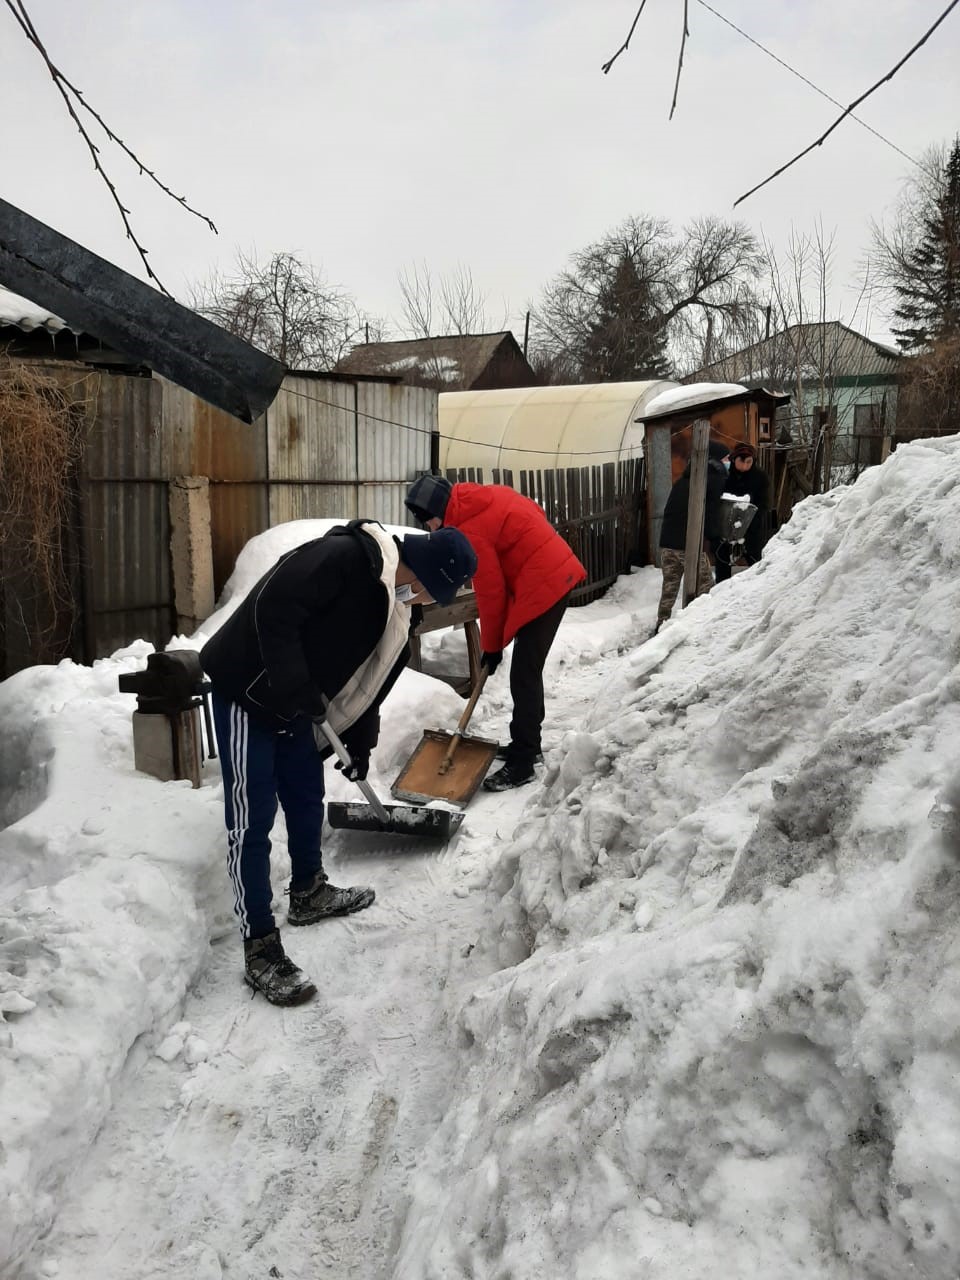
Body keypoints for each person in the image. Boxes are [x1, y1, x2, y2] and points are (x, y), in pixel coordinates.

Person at [200, 519, 478, 1007]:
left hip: (294, 703)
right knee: (252, 819)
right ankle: (259, 944)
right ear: (421, 574)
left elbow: (370, 684)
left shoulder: (397, 610)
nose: (425, 602)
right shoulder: (347, 558)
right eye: (430, 592)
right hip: (247, 691)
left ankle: (308, 890)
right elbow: (273, 606)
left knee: (306, 793)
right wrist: (297, 685)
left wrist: (361, 745)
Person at [405, 475, 586, 792]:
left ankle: (524, 760)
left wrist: (491, 646)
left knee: (524, 672)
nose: (430, 527)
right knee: (527, 670)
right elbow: (534, 513)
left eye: (428, 519)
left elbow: (490, 593)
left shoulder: (469, 530)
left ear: (438, 510)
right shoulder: (478, 498)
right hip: (548, 571)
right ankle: (527, 744)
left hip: (547, 582)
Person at [654, 439, 729, 633]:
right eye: (726, 458)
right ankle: (701, 626)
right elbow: (710, 513)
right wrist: (715, 537)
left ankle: (661, 625)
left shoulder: (685, 478)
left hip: (668, 542)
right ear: (717, 460)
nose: (728, 462)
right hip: (689, 543)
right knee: (706, 585)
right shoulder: (712, 479)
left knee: (669, 588)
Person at [714, 442, 771, 582]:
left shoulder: (760, 477)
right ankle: (722, 587)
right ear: (734, 459)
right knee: (722, 557)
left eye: (749, 462)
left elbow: (764, 503)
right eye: (741, 461)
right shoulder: (725, 476)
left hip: (752, 526)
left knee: (754, 558)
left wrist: (751, 521)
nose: (745, 465)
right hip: (727, 525)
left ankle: (756, 586)